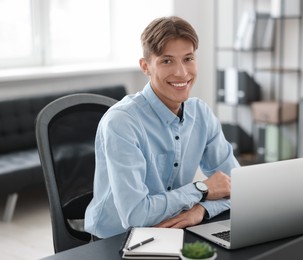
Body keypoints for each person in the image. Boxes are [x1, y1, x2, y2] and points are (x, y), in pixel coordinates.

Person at [84, 16, 240, 239]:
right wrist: (202, 190)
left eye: (188, 59)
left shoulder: (201, 113)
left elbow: (237, 185)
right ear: (145, 66)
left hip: (175, 228)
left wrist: (202, 209)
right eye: (167, 61)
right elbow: (136, 216)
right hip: (117, 239)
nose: (182, 73)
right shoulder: (121, 122)